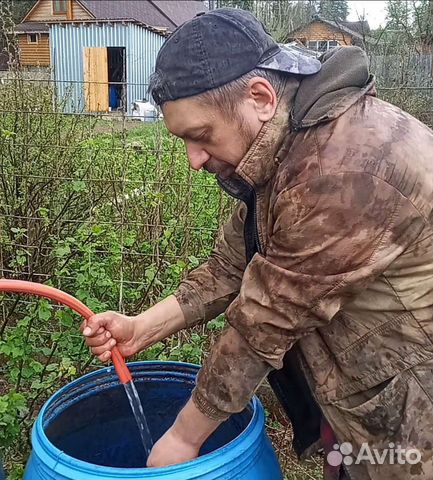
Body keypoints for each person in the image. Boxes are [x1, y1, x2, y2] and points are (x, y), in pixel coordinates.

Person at [81, 8, 433, 479]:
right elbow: (234, 263)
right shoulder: (288, 142)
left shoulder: (345, 171)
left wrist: (185, 437)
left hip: (413, 409)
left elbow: (265, 322)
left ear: (260, 96)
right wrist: (142, 327)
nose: (194, 160)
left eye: (200, 136)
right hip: (360, 391)